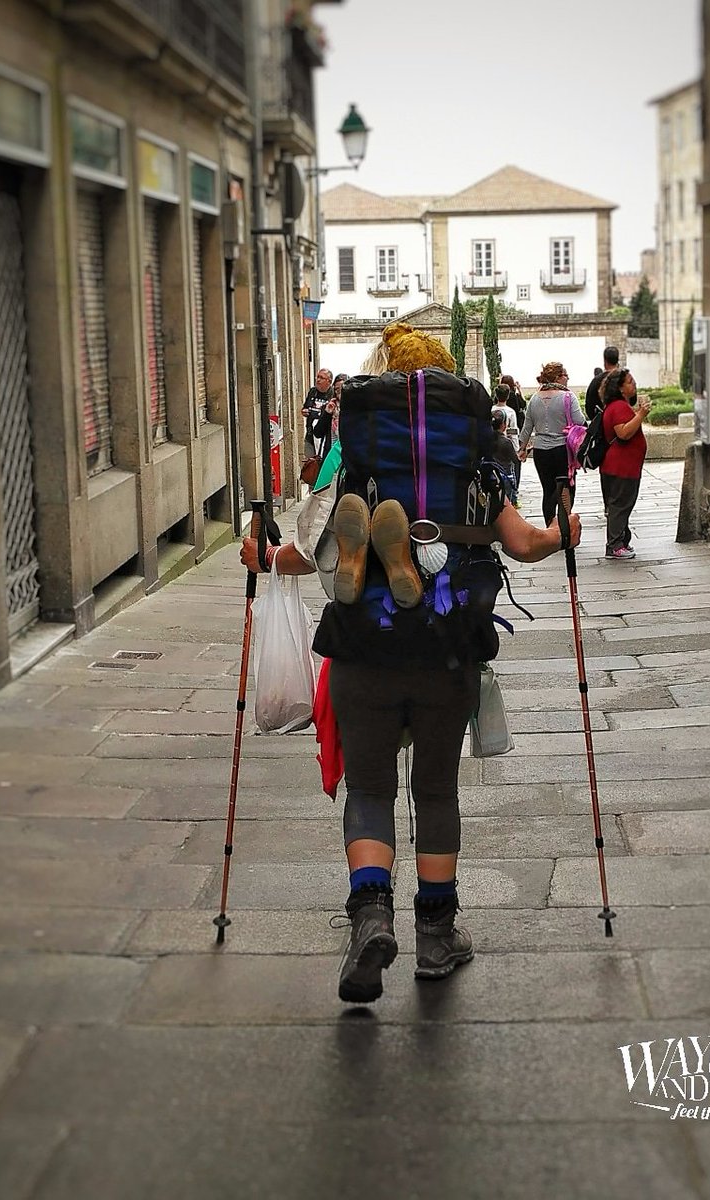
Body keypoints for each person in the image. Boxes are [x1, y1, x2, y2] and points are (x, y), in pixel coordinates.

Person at [240, 322, 581, 1005]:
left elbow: (306, 552)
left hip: (361, 643)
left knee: (369, 790)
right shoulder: (474, 460)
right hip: (447, 645)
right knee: (435, 792)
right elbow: (521, 544)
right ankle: (435, 937)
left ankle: (369, 915)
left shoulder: (357, 447)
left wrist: (264, 557)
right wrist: (561, 534)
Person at [517, 361, 585, 525]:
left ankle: (550, 527)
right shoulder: (568, 396)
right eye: (565, 375)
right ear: (558, 377)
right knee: (566, 490)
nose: (567, 378)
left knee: (548, 491)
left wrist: (522, 448)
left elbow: (527, 428)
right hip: (563, 450)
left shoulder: (534, 398)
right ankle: (565, 526)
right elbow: (580, 421)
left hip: (541, 451)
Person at [599, 368, 651, 559]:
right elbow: (623, 432)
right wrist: (641, 415)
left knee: (620, 506)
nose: (634, 383)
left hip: (621, 466)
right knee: (619, 506)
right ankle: (614, 546)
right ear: (620, 388)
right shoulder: (619, 406)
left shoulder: (616, 406)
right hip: (621, 467)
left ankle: (621, 541)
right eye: (629, 381)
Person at [310, 372, 348, 462]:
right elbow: (318, 433)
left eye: (343, 389)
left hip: (349, 458)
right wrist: (327, 413)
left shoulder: (354, 409)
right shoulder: (329, 407)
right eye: (337, 389)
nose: (339, 392)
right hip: (331, 458)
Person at [584, 345, 622, 421]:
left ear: (605, 360)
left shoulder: (596, 380)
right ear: (618, 359)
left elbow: (589, 406)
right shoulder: (625, 378)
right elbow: (632, 400)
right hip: (623, 422)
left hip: (603, 423)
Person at [301, 368, 333, 456]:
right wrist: (304, 411)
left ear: (329, 381)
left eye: (321, 378)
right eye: (317, 377)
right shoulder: (312, 392)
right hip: (310, 435)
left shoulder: (332, 394)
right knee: (310, 464)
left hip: (325, 437)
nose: (318, 380)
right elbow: (305, 407)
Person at [490, 409, 520, 504]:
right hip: (505, 476)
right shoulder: (506, 442)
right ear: (503, 425)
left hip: (491, 476)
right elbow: (515, 460)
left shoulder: (486, 441)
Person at [491, 383, 520, 451]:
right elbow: (513, 432)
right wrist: (516, 448)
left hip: (491, 443)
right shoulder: (511, 412)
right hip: (505, 445)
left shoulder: (491, 409)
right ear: (508, 396)